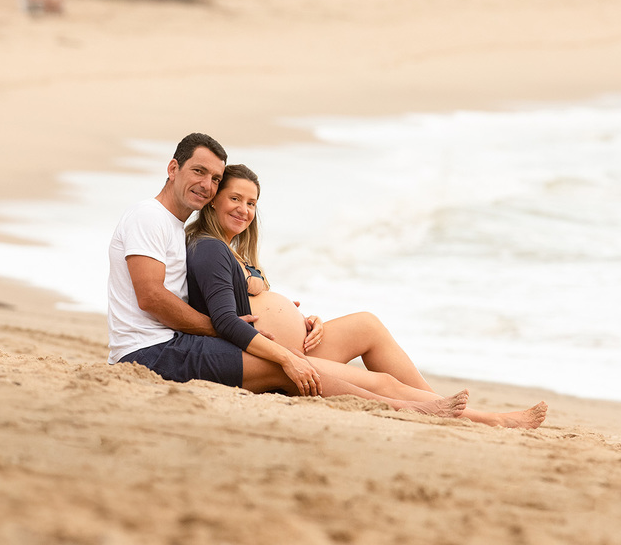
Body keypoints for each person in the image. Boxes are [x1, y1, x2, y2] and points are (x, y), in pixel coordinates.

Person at [107, 133, 469, 419]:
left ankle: (451, 408)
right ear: (173, 169)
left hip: (180, 345)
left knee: (363, 332)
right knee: (289, 366)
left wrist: (292, 316)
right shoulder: (150, 217)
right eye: (198, 171)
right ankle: (406, 408)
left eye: (215, 177)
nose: (206, 183)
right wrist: (230, 329)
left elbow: (201, 297)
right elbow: (152, 298)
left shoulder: (176, 229)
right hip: (153, 353)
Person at [186, 164, 548, 430]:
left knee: (367, 324)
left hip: (299, 344)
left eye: (251, 203)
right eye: (235, 198)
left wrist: (304, 320)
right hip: (273, 357)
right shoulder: (208, 248)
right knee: (386, 385)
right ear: (213, 201)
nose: (244, 209)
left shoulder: (234, 250)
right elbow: (223, 315)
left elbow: (255, 303)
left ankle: (437, 401)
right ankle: (491, 419)